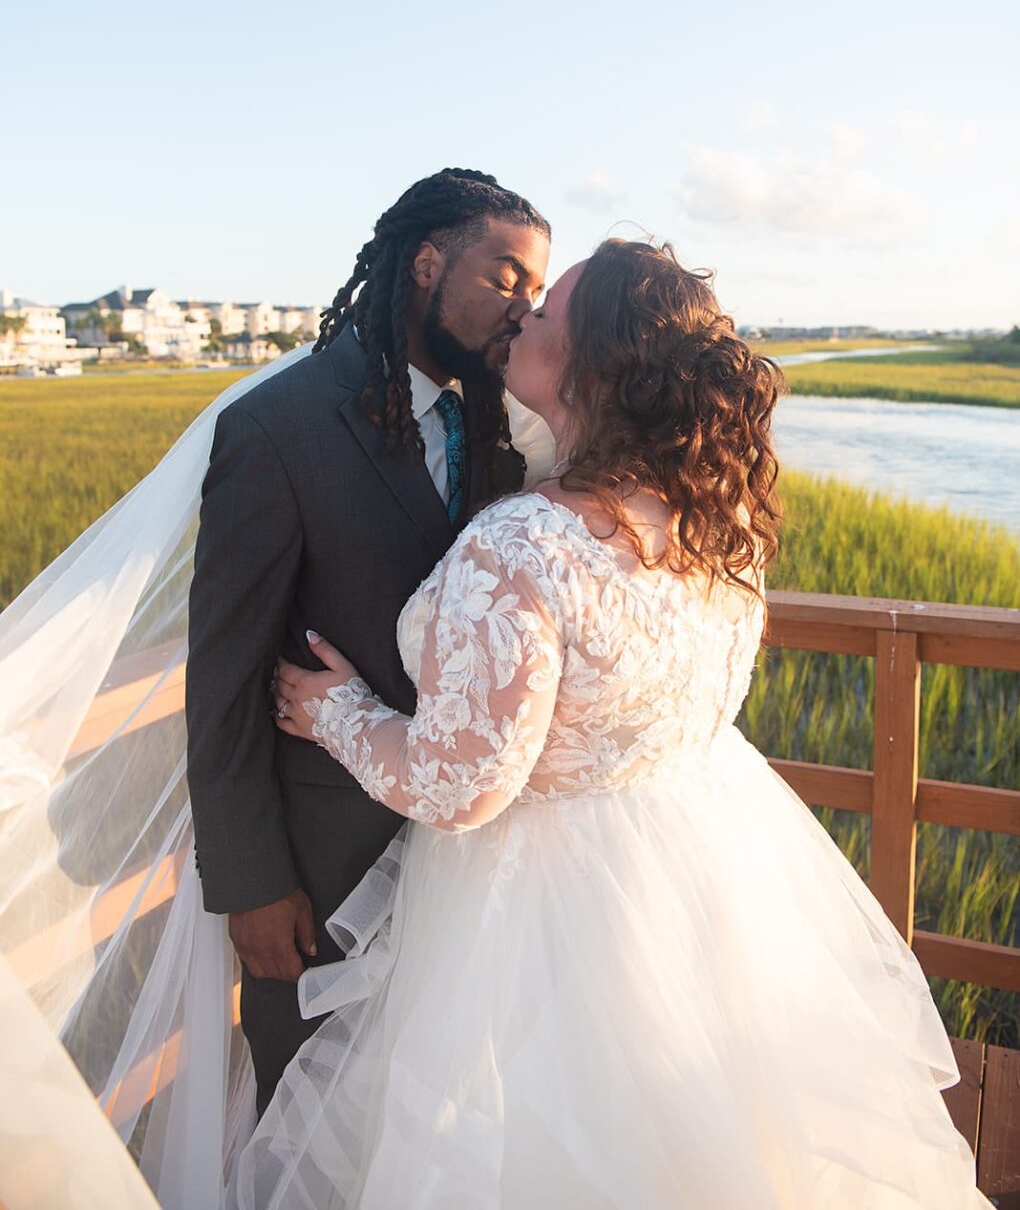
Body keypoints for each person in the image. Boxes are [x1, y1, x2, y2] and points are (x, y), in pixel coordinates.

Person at [235, 240, 987, 1207]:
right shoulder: (726, 519)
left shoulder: (520, 543)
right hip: (702, 865)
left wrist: (334, 711)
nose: (525, 317)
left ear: (591, 365)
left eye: (549, 312)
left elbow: (462, 787)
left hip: (537, 909)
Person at [185, 168, 552, 1114]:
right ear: (427, 264)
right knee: (303, 1131)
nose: (526, 305)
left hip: (465, 880)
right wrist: (251, 883)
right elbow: (223, 674)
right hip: (319, 878)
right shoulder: (277, 426)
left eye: (539, 290)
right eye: (506, 277)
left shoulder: (495, 424)